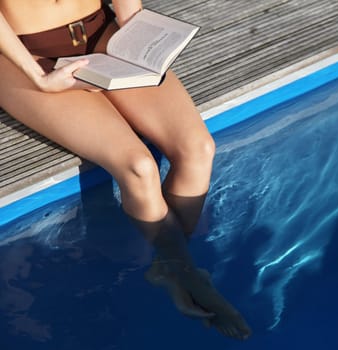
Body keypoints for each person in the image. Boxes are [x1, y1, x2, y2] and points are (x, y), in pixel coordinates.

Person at [0, 0, 251, 340]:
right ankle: (185, 272)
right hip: (23, 57)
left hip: (102, 34)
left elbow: (128, 9)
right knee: (138, 167)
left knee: (197, 149)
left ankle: (170, 267)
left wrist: (141, 38)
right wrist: (40, 79)